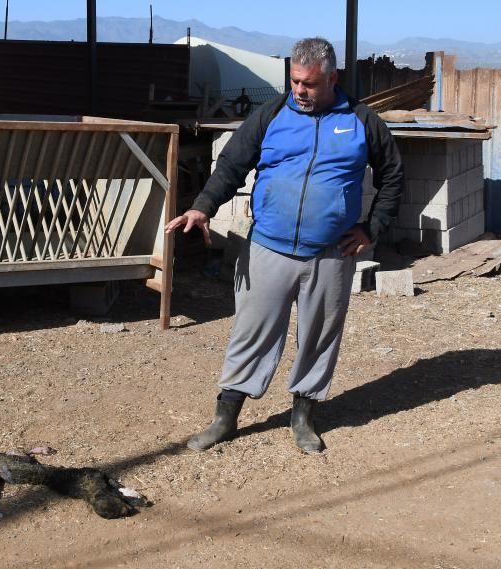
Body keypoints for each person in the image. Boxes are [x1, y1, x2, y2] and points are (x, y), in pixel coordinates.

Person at [166, 37, 404, 453]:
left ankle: (303, 417)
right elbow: (231, 165)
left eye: (309, 84)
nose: (299, 91)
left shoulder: (362, 121)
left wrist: (371, 228)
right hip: (268, 249)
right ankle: (226, 417)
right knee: (251, 333)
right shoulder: (272, 114)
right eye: (294, 81)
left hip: (331, 254)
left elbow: (393, 178)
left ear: (332, 78)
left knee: (319, 336)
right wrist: (203, 206)